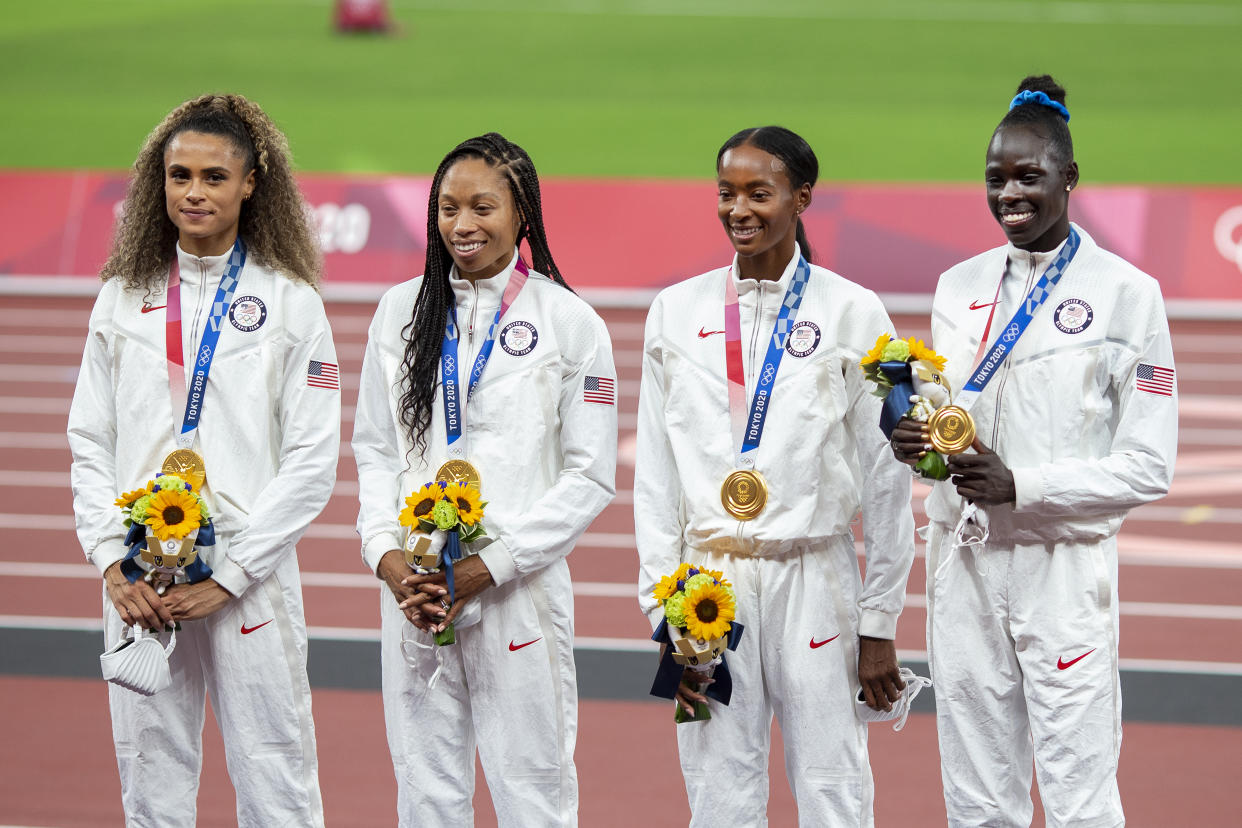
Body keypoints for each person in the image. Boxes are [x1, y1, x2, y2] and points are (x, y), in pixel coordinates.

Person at [891, 75, 1177, 827]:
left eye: (1028, 176)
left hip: (1061, 571)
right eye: (996, 179)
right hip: (964, 564)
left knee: (1079, 796)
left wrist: (1025, 484)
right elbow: (949, 411)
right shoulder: (958, 285)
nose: (1009, 193)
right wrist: (915, 439)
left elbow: (1149, 465)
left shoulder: (1127, 294)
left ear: (1069, 177)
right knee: (978, 797)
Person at [68, 94, 339, 826]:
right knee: (150, 779)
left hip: (247, 582)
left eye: (215, 177)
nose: (194, 192)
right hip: (140, 581)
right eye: (179, 175)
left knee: (275, 776)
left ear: (252, 183)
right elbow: (89, 440)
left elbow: (314, 462)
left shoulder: (290, 304)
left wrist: (230, 577)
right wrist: (110, 562)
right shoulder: (123, 296)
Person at [634, 126, 917, 827]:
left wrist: (879, 620)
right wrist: (660, 611)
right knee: (719, 793)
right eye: (726, 193)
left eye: (760, 193)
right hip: (707, 586)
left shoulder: (854, 311)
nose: (740, 209)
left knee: (832, 788)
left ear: (802, 198)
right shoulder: (675, 311)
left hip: (814, 578)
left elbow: (886, 476)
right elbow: (655, 475)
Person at [352, 132, 617, 827]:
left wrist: (487, 567)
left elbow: (590, 478)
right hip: (415, 590)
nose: (462, 225)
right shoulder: (399, 312)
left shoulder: (569, 321)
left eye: (482, 207)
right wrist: (385, 557)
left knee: (534, 792)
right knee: (426, 790)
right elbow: (376, 451)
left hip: (516, 593)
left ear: (522, 212)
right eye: (447, 208)